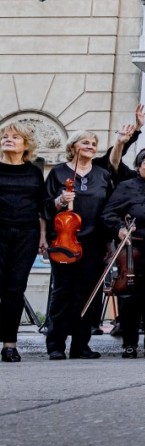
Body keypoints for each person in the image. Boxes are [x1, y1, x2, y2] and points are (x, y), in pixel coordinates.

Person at [44, 130, 117, 360]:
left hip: (94, 242)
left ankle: (80, 345)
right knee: (62, 292)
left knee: (87, 295)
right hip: (64, 240)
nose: (91, 146)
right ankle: (55, 344)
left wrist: (110, 241)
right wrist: (58, 201)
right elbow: (43, 206)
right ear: (73, 146)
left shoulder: (103, 175)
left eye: (94, 143)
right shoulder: (58, 173)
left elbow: (109, 210)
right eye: (85, 142)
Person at [101, 148, 145, 358]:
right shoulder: (127, 187)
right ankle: (129, 343)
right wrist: (120, 229)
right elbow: (108, 214)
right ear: (138, 166)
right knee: (131, 297)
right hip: (135, 250)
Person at [0, 122, 46, 363]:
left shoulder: (34, 172)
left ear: (25, 145)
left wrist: (43, 237)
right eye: (5, 136)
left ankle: (9, 344)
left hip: (26, 234)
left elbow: (41, 207)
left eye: (14, 136)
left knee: (15, 289)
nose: (8, 139)